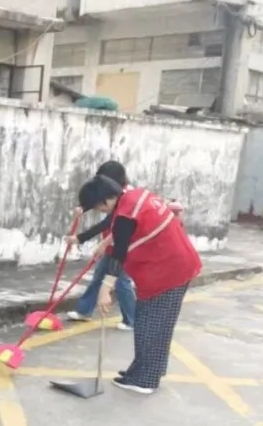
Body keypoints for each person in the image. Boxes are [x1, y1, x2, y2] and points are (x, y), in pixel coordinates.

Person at [76, 173, 201, 395]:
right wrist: (105, 244)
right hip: (178, 264)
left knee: (151, 325)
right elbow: (123, 233)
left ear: (106, 200)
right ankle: (145, 371)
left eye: (98, 207)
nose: (101, 212)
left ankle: (145, 380)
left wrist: (106, 289)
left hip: (168, 271)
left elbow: (120, 252)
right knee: (157, 324)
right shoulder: (135, 197)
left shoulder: (125, 213)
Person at [65, 161, 136, 331]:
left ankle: (132, 319)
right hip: (112, 246)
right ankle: (84, 311)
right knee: (98, 277)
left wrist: (84, 239)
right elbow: (99, 200)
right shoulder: (113, 195)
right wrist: (83, 208)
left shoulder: (127, 198)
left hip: (122, 248)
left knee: (121, 282)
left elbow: (111, 224)